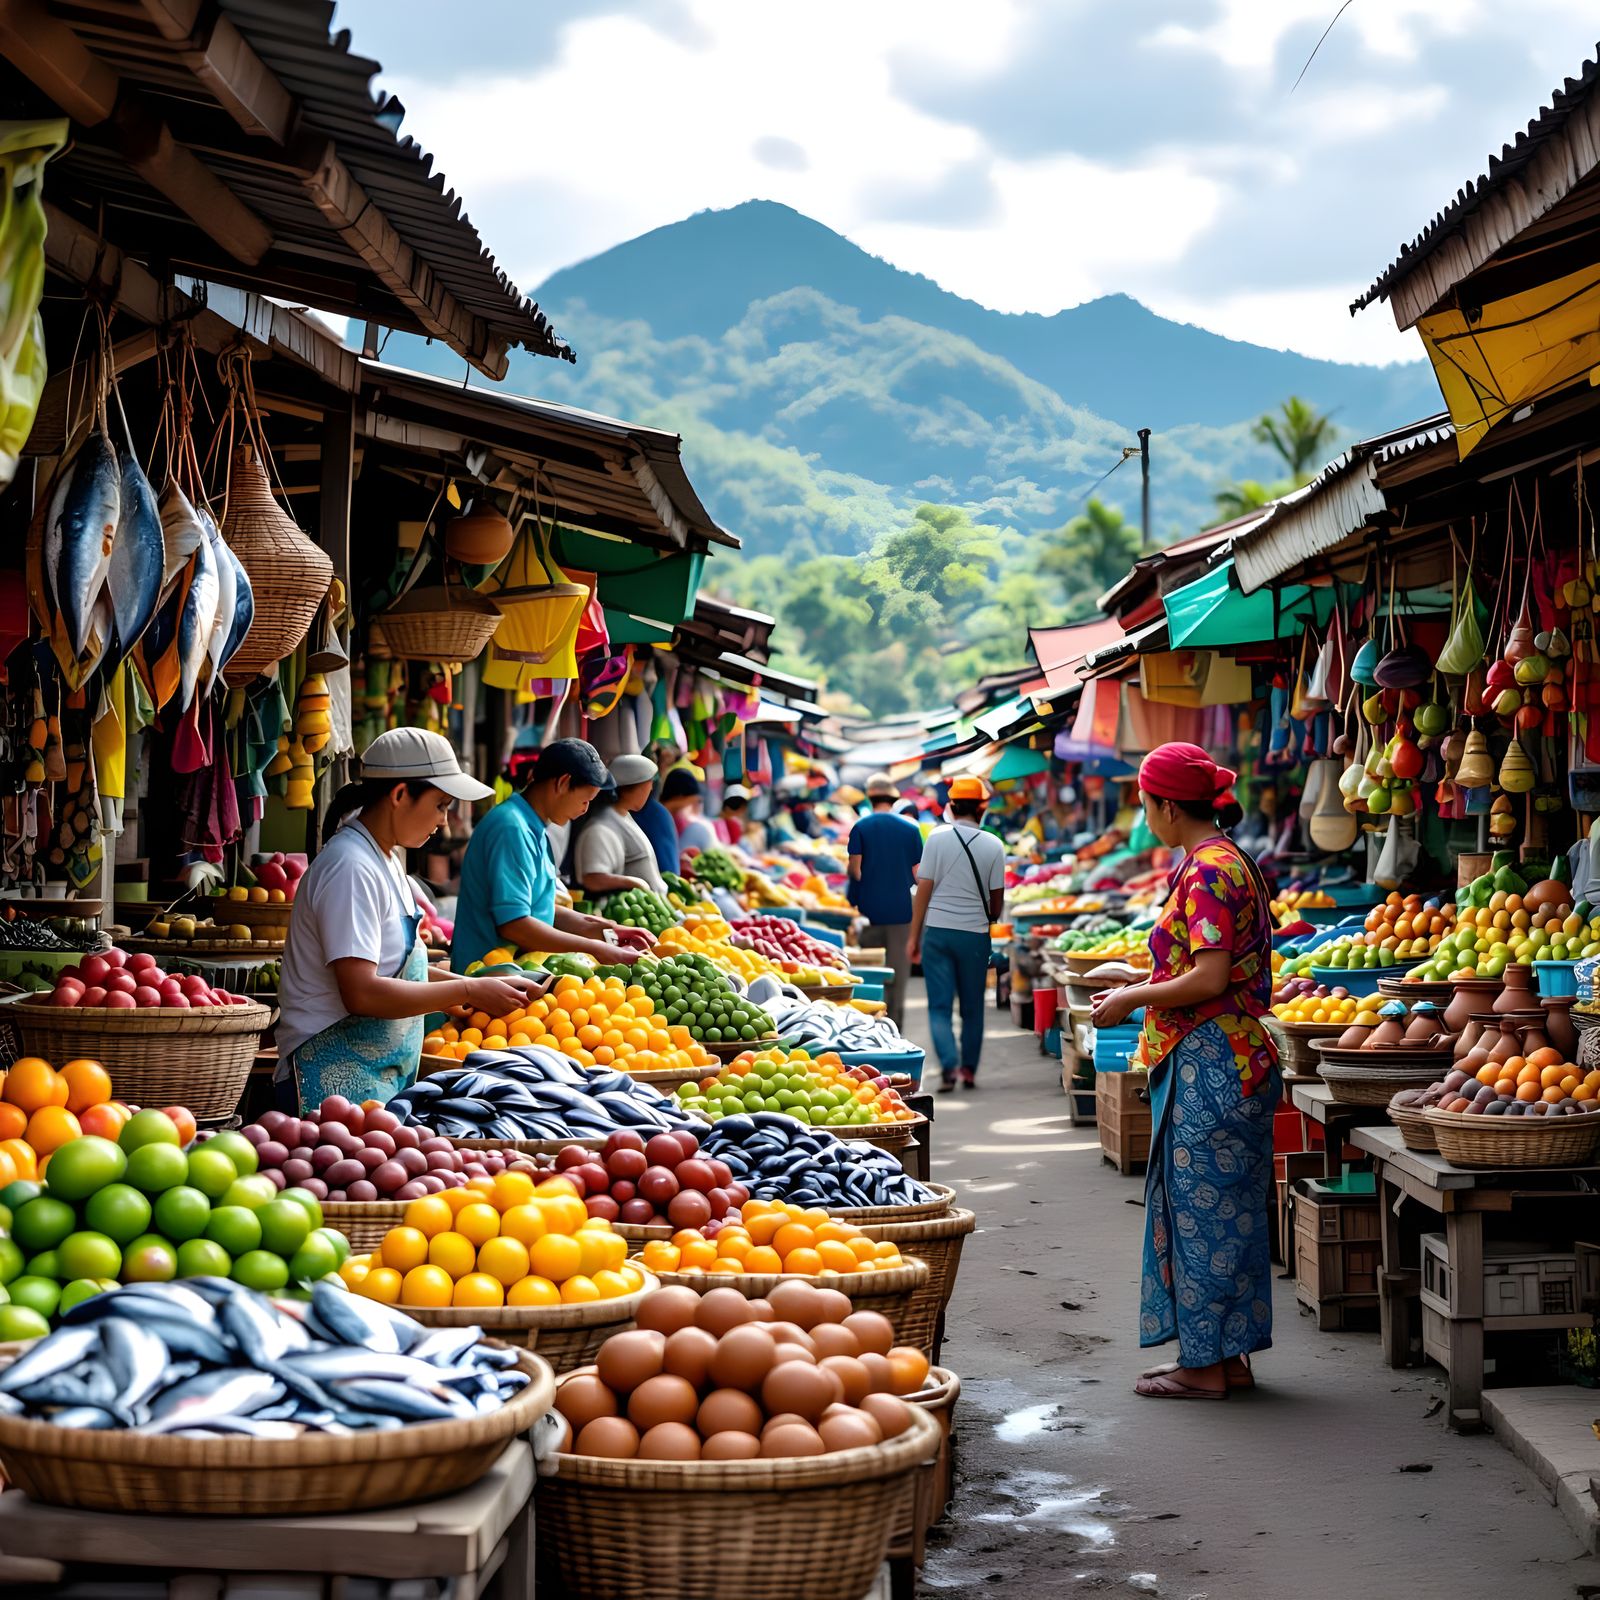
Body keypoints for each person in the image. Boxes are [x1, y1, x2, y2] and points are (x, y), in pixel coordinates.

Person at [1088, 742, 1279, 1402]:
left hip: (1212, 1063)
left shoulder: (1205, 873)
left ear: (1168, 805)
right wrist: (1141, 980)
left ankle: (1203, 1367)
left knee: (1201, 1214)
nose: (1145, 818)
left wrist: (1131, 999)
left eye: (1145, 805)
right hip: (1232, 1056)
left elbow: (1211, 976)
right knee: (1232, 1213)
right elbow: (1214, 972)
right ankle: (1231, 1358)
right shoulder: (1229, 861)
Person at [276, 728, 550, 1112]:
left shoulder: (384, 859)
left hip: (372, 1083)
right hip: (327, 1088)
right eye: (440, 805)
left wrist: (474, 984)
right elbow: (362, 992)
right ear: (400, 794)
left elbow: (399, 970)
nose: (444, 822)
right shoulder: (350, 868)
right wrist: (468, 992)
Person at [452, 738, 657, 971]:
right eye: (585, 800)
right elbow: (514, 924)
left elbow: (543, 911)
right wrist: (594, 947)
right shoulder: (511, 828)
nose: (585, 810)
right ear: (563, 783)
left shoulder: (533, 826)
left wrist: (606, 930)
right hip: (484, 978)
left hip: (512, 975)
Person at [908, 777, 1006, 1091]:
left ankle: (948, 1067)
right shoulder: (994, 845)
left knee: (939, 1006)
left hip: (937, 933)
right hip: (974, 936)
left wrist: (914, 936)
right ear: (982, 807)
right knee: (972, 1006)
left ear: (951, 806)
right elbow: (997, 904)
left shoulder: (936, 838)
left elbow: (923, 889)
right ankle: (969, 1071)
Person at [847, 773, 923, 1029]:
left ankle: (870, 1026)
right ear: (893, 799)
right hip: (902, 912)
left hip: (869, 911)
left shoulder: (860, 827)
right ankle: (895, 1026)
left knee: (869, 973)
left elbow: (855, 871)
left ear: (870, 798)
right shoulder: (911, 828)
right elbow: (918, 874)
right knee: (897, 974)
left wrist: (856, 896)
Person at [572, 755, 668, 896]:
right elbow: (592, 878)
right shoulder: (600, 828)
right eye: (649, 782)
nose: (652, 788)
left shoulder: (623, 816)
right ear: (634, 785)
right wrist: (634, 883)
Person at [661, 766, 717, 855]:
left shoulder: (678, 816)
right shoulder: (659, 816)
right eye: (696, 801)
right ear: (680, 796)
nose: (696, 804)